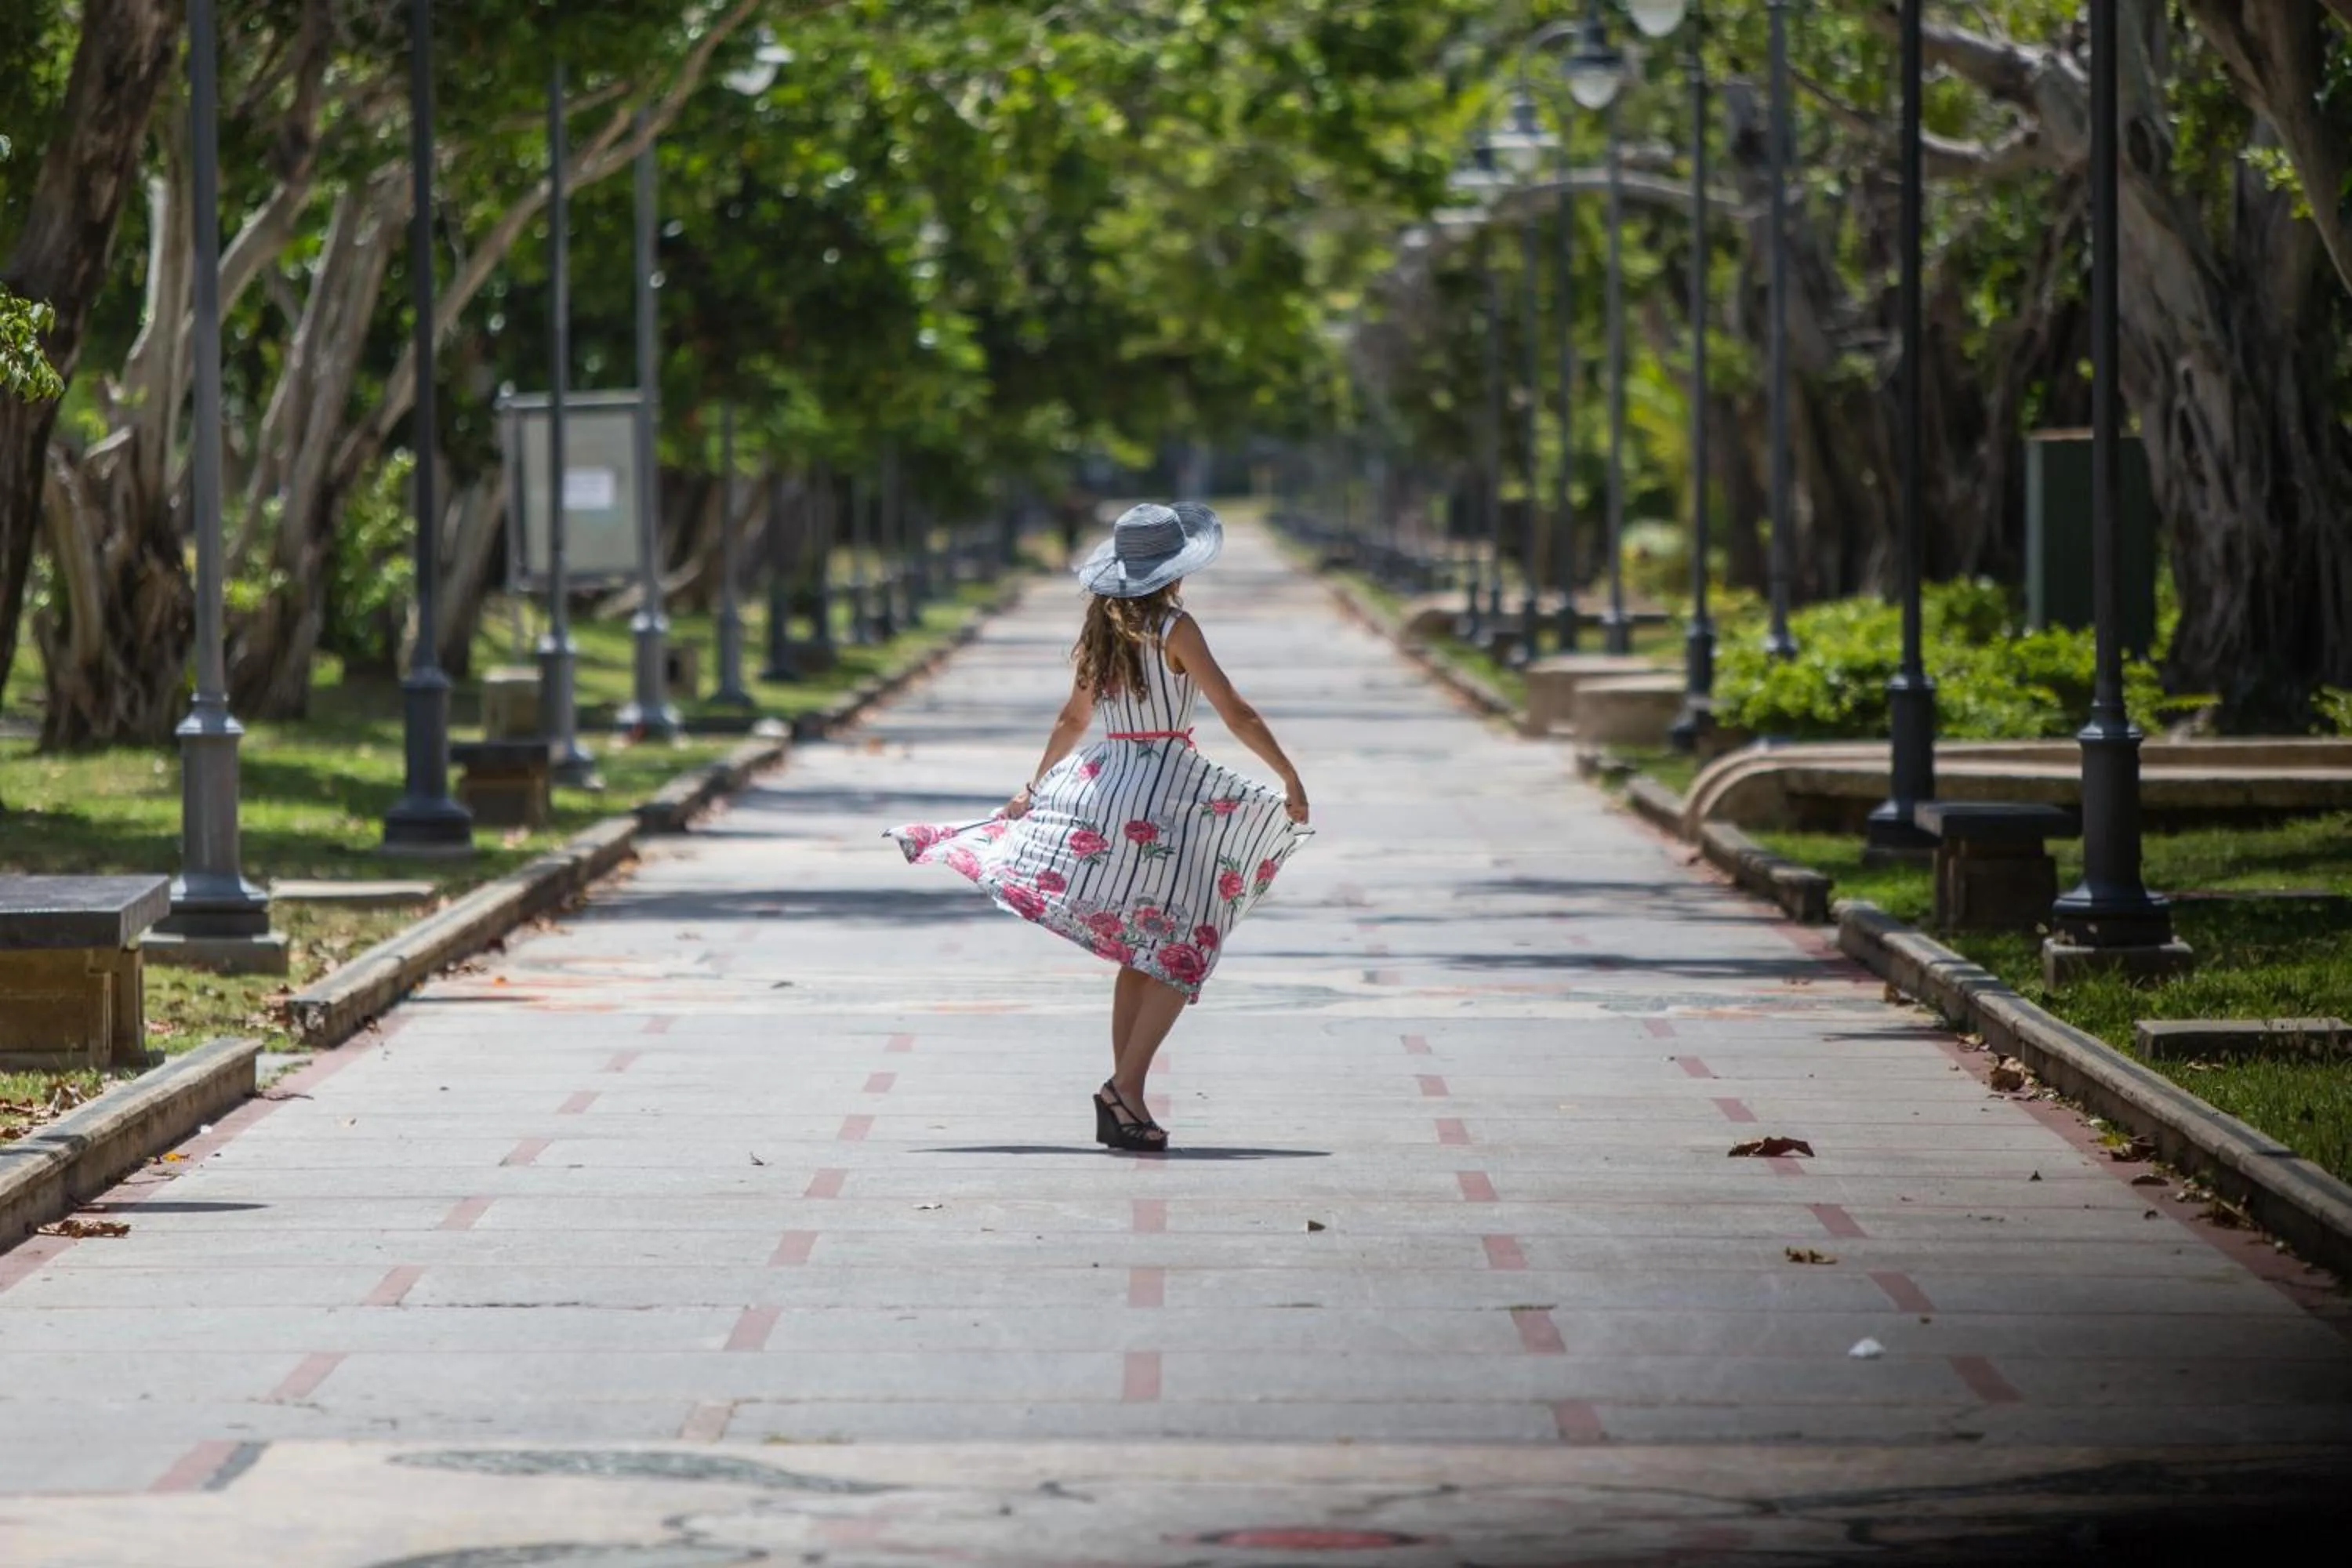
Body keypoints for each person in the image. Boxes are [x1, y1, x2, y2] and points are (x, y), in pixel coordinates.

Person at [885, 502, 1311, 1151]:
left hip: (1108, 790)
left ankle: (1125, 1099)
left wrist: (1033, 786)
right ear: (1173, 571)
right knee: (1180, 947)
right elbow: (1236, 711)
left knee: (1141, 947)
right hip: (1166, 795)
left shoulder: (1101, 635)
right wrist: (1289, 775)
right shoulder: (1175, 627)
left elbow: (1072, 720)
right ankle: (1126, 1088)